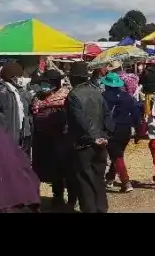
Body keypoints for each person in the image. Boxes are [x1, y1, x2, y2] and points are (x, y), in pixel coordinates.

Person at [65, 61, 108, 213]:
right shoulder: (97, 91)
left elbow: (79, 120)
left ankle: (90, 209)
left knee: (84, 180)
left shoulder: (73, 95)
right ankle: (102, 208)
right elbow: (107, 115)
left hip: (83, 144)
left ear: (73, 78)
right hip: (101, 142)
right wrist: (105, 135)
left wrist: (92, 138)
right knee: (99, 178)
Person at [30, 69, 74, 209]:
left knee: (63, 170)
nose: (45, 85)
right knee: (46, 170)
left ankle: (66, 198)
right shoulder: (38, 98)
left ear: (55, 83)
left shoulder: (65, 97)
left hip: (61, 139)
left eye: (48, 82)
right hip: (42, 140)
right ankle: (49, 198)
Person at [101, 72, 141, 194]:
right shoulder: (128, 97)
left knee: (116, 156)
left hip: (111, 129)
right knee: (117, 154)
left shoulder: (102, 97)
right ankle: (110, 179)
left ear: (107, 85)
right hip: (126, 130)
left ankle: (126, 182)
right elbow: (136, 114)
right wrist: (138, 130)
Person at [0, 61, 33, 156]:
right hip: (5, 139)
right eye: (20, 76)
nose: (21, 79)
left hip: (17, 137)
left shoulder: (15, 91)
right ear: (13, 78)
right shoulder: (2, 93)